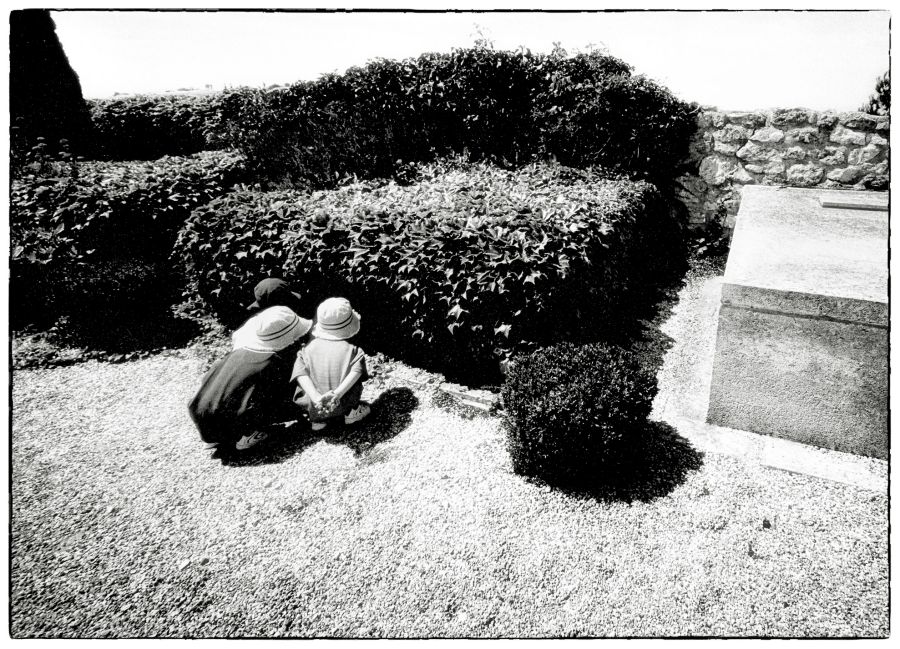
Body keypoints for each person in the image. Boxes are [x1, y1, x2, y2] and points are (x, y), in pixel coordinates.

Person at [188, 306, 312, 452]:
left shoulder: (238, 352)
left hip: (200, 413)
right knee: (272, 392)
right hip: (234, 420)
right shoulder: (268, 363)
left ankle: (214, 436)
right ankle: (246, 434)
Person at [291, 297, 371, 431]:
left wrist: (317, 398)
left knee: (303, 382)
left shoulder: (306, 351)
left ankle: (317, 421)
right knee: (355, 378)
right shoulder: (354, 351)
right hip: (340, 402)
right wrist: (337, 395)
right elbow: (356, 373)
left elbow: (300, 375)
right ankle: (351, 412)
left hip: (315, 406)